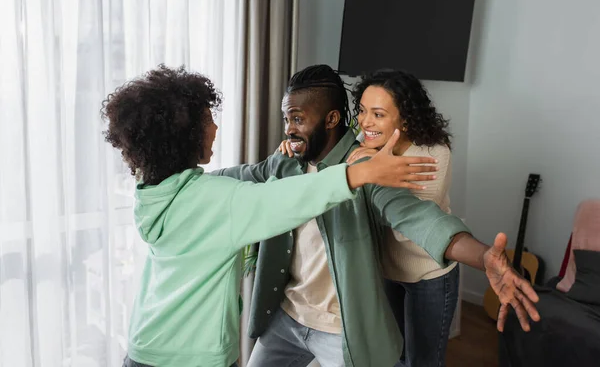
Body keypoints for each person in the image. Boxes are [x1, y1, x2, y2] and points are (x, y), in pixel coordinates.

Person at [100, 65, 437, 367]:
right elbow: (289, 199)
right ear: (184, 134)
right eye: (207, 120)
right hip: (194, 358)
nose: (216, 128)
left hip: (144, 346)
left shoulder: (154, 191)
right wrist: (359, 174)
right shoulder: (219, 200)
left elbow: (250, 176)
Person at [215, 64, 540, 367]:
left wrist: (484, 256)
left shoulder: (375, 168)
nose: (289, 130)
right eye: (287, 120)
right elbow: (239, 176)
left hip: (358, 316)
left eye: (297, 119)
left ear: (330, 120)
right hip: (288, 316)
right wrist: (178, 179)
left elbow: (418, 217)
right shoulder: (286, 162)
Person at [347, 69, 460, 366]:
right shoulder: (365, 140)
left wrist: (368, 166)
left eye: (378, 114)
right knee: (393, 356)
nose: (365, 122)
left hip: (429, 275)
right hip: (388, 270)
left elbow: (404, 218)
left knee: (422, 361)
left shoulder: (434, 153)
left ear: (406, 119)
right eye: (362, 111)